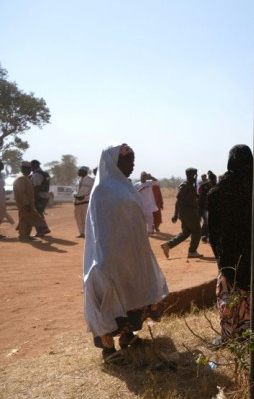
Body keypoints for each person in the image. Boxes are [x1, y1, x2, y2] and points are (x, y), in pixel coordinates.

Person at [83, 143, 168, 361]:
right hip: (110, 256)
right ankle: (108, 349)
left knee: (132, 293)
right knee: (109, 298)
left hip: (131, 253)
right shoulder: (102, 190)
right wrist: (106, 258)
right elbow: (99, 229)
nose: (132, 165)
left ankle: (128, 336)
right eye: (128, 160)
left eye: (133, 160)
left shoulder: (127, 187)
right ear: (114, 163)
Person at [207, 145, 253, 342]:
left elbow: (213, 232)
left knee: (229, 297)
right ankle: (249, 333)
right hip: (253, 255)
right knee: (249, 295)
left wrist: (219, 257)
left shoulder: (216, 193)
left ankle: (228, 335)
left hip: (228, 256)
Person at [161, 167, 203, 259]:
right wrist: (175, 214)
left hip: (188, 213)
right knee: (197, 231)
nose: (195, 177)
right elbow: (179, 200)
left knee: (186, 232)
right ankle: (192, 251)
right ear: (189, 175)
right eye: (194, 174)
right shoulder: (185, 185)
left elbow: (192, 197)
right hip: (188, 213)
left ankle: (168, 245)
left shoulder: (190, 185)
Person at [12, 161, 49, 240]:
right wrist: (26, 204)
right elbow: (21, 192)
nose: (29, 171)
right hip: (24, 203)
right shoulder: (21, 178)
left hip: (28, 202)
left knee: (27, 219)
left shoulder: (24, 177)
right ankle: (23, 235)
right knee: (25, 219)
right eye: (27, 169)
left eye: (29, 169)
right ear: (23, 169)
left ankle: (26, 235)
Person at [73, 166, 94, 238]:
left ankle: (86, 233)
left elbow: (92, 191)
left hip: (85, 202)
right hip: (77, 202)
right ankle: (81, 233)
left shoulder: (90, 180)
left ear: (84, 172)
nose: (78, 172)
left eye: (79, 171)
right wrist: (75, 195)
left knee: (85, 219)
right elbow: (75, 190)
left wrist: (84, 197)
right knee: (78, 218)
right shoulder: (77, 181)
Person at [198, 170, 216, 243]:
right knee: (206, 222)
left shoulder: (215, 185)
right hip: (204, 207)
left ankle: (206, 235)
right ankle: (203, 235)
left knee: (209, 222)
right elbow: (200, 195)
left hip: (211, 207)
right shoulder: (203, 185)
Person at [0, 160, 16, 238]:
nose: (2, 166)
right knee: (1, 211)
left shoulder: (2, 174)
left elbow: (6, 175)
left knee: (2, 211)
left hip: (1, 192)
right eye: (1, 164)